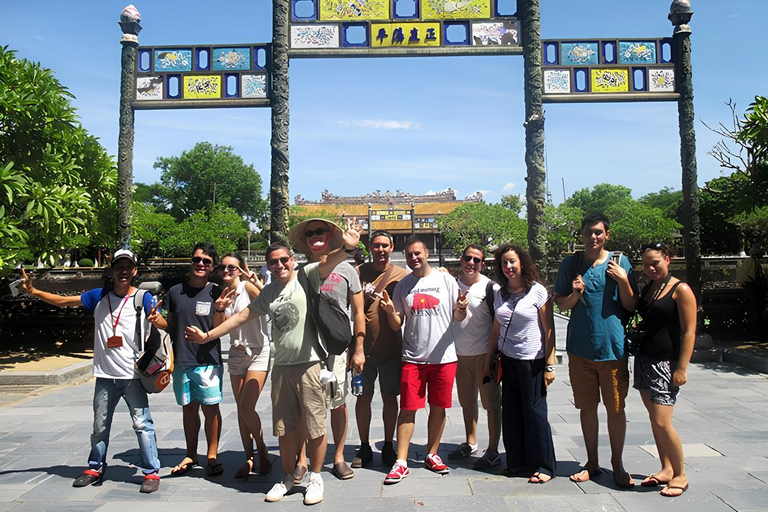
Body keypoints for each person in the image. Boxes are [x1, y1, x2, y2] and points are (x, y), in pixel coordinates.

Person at [185, 223, 362, 505]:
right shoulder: (269, 292)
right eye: (273, 262)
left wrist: (349, 247)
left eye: (283, 260)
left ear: (292, 261)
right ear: (268, 266)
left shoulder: (307, 276)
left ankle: (315, 477)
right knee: (285, 426)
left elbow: (331, 261)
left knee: (316, 424)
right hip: (281, 366)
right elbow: (242, 317)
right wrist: (207, 335)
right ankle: (288, 476)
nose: (279, 265)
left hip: (310, 364)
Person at [20, 250, 162, 493]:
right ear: (112, 270)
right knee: (100, 425)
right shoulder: (99, 297)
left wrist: (158, 320)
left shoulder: (143, 298)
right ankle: (95, 466)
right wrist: (33, 292)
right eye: (119, 267)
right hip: (105, 375)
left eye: (128, 267)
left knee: (142, 424)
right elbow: (64, 302)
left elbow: (166, 323)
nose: (124, 271)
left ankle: (151, 472)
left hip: (133, 376)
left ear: (135, 271)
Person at [553, 213, 638, 488]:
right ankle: (591, 462)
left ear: (607, 235)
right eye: (589, 232)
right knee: (587, 408)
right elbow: (562, 305)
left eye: (599, 232)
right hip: (580, 349)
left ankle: (617, 463)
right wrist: (576, 293)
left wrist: (623, 280)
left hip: (612, 349)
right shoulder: (571, 264)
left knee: (615, 408)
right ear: (581, 234)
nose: (594, 237)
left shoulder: (619, 262)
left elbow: (630, 305)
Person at [379, 235, 462, 484]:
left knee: (439, 407)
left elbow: (458, 315)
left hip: (443, 357)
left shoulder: (445, 280)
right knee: (408, 408)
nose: (414, 258)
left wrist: (463, 308)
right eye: (409, 255)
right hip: (413, 358)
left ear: (426, 253)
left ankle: (432, 453)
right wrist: (388, 311)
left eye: (418, 253)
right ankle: (401, 461)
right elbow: (397, 324)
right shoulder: (404, 285)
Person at [288, 218, 365, 481]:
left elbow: (358, 311)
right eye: (309, 233)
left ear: (331, 235)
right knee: (304, 405)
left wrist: (359, 348)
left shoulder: (347, 269)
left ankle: (339, 455)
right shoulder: (297, 271)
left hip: (335, 347)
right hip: (306, 348)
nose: (314, 236)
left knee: (338, 403)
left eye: (320, 231)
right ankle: (302, 459)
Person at [150, 242, 226, 477]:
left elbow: (220, 328)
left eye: (206, 262)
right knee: (189, 409)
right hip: (182, 360)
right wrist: (155, 320)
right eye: (197, 260)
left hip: (208, 361)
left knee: (211, 408)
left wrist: (220, 309)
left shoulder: (216, 291)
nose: (201, 264)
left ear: (212, 267)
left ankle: (212, 455)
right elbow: (171, 327)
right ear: (191, 262)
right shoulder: (175, 292)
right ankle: (191, 453)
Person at [486, 244, 557, 483]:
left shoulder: (537, 291)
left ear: (522, 264)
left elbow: (549, 330)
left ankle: (544, 465)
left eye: (512, 262)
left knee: (534, 413)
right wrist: (489, 360)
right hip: (508, 359)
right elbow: (496, 329)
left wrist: (549, 366)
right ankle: (518, 463)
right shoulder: (500, 293)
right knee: (513, 413)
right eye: (504, 263)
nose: (508, 267)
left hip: (532, 360)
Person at [634, 243, 696, 497]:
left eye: (655, 263)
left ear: (667, 260)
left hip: (665, 362)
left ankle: (681, 474)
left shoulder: (680, 289)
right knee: (654, 420)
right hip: (645, 359)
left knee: (663, 421)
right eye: (646, 264)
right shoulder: (651, 287)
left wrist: (682, 367)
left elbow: (689, 331)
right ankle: (666, 468)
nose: (651, 268)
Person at [353, 230, 408, 468]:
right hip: (362, 350)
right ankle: (364, 446)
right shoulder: (358, 273)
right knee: (363, 398)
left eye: (385, 245)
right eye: (376, 245)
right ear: (369, 247)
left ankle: (388, 444)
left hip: (391, 350)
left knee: (389, 398)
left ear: (392, 247)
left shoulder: (402, 276)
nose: (381, 250)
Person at [216, 252, 272, 478]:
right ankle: (249, 458)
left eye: (232, 267)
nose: (226, 271)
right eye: (223, 267)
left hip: (258, 350)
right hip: (236, 352)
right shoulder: (222, 294)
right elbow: (220, 327)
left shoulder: (247, 288)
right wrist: (219, 308)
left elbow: (269, 305)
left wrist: (255, 283)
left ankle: (263, 451)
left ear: (240, 270)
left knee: (247, 406)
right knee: (241, 409)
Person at [449, 244, 502, 469]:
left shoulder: (492, 288)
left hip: (484, 354)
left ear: (483, 263)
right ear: (461, 260)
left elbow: (500, 321)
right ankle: (471, 442)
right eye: (467, 258)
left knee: (491, 403)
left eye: (476, 260)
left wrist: (493, 355)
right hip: (459, 354)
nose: (471, 263)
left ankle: (492, 449)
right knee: (467, 401)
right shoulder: (450, 285)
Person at [736, 243, 766, 339]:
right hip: (752, 289)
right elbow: (752, 276)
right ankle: (755, 331)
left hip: (752, 288)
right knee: (754, 310)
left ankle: (756, 331)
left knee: (755, 310)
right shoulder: (752, 262)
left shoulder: (751, 262)